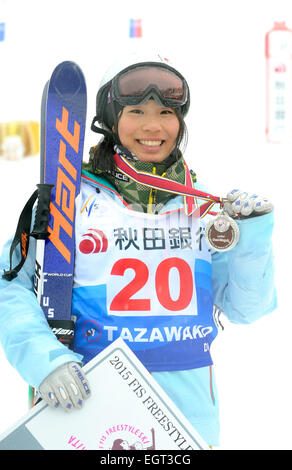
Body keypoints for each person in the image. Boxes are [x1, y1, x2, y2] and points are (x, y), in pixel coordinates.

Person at [0, 51, 277, 447]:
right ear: (111, 119)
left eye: (166, 113)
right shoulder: (69, 199)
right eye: (136, 111)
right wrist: (45, 361)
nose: (153, 126)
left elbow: (246, 308)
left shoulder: (200, 208)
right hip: (89, 400)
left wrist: (252, 239)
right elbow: (9, 286)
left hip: (186, 418)